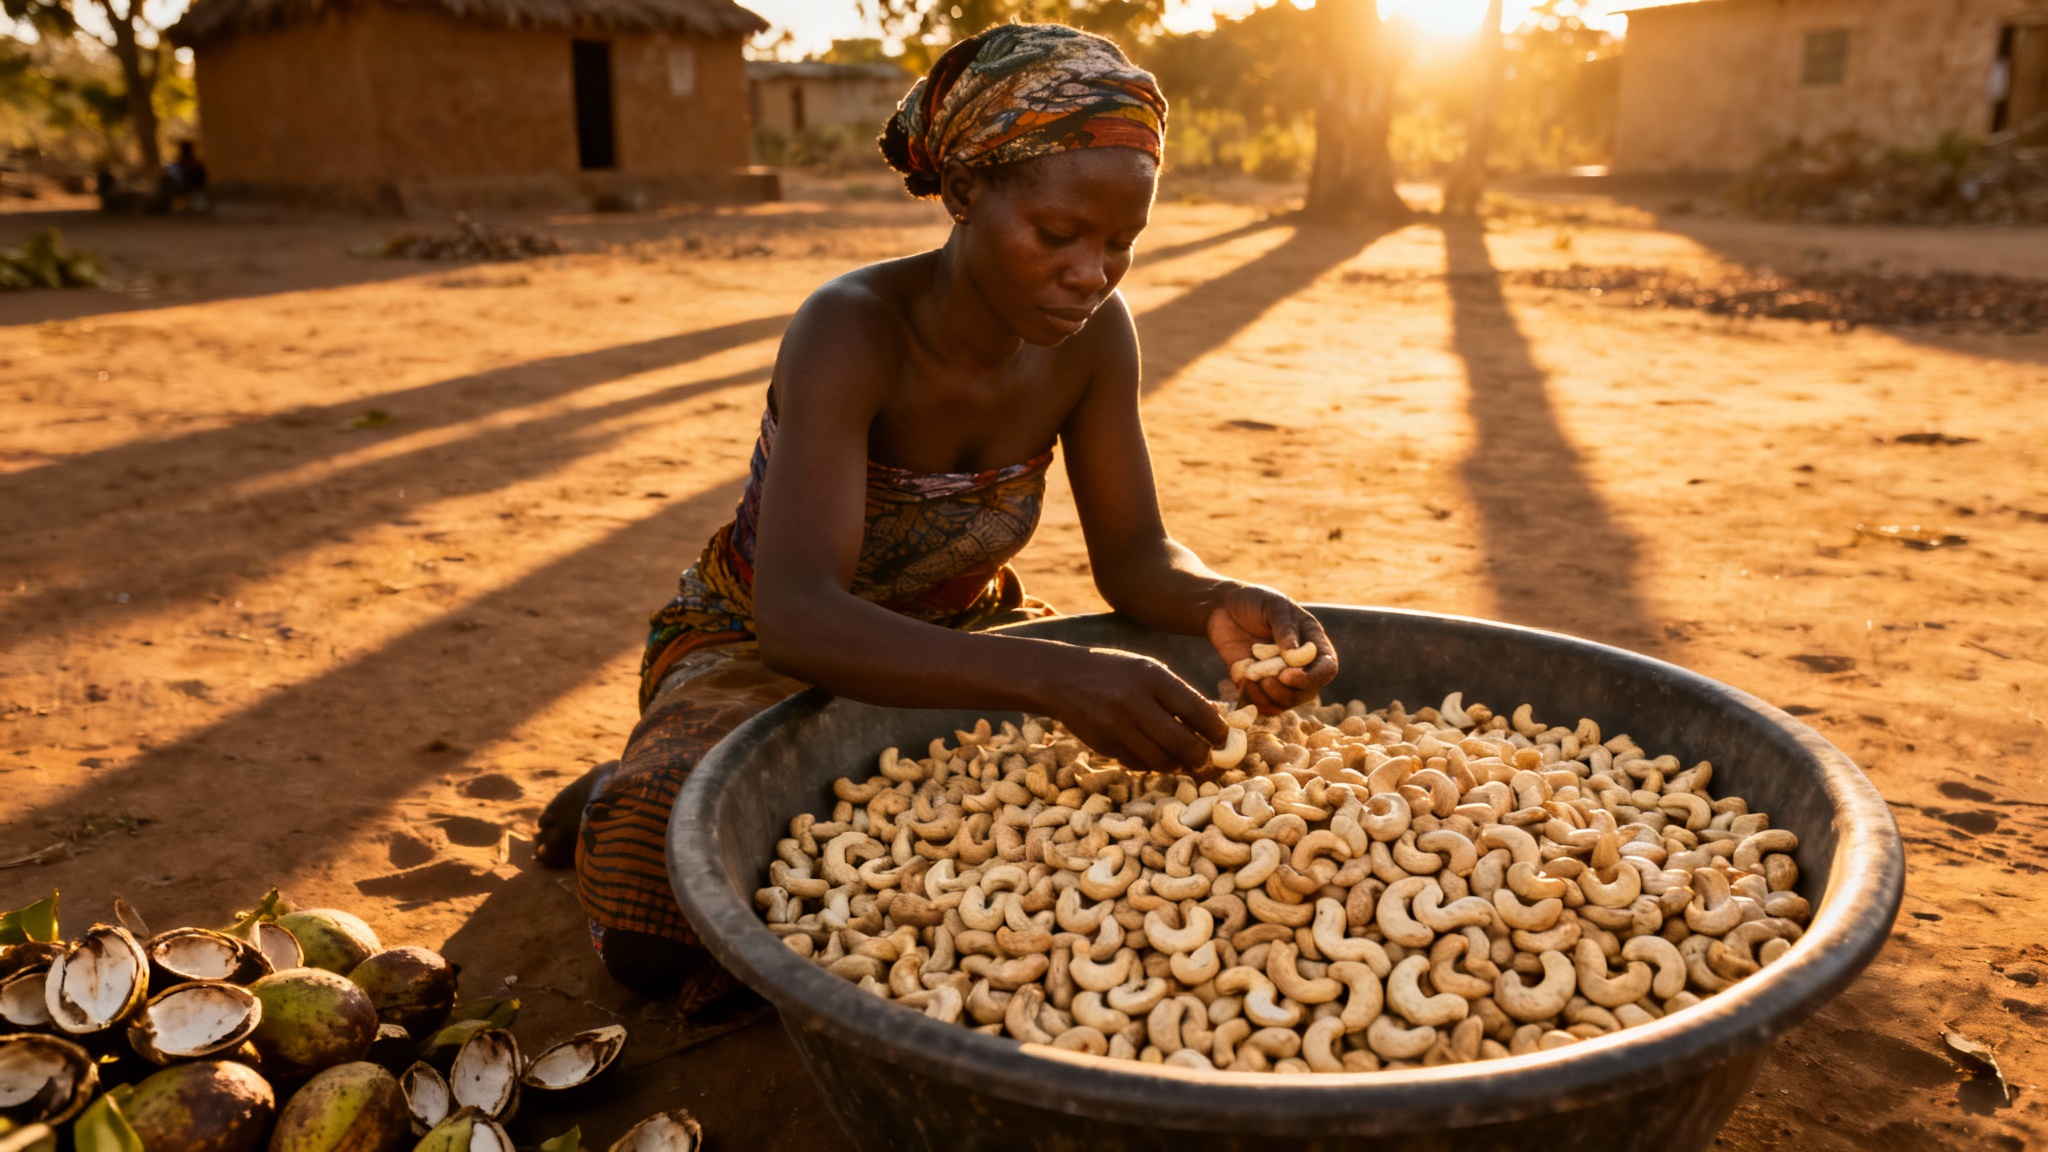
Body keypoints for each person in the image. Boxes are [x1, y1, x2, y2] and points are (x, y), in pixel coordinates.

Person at [535, 23, 1340, 1012]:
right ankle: (628, 781)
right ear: (962, 193)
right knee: (649, 932)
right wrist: (1055, 676)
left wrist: (1221, 599)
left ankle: (692, 776)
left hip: (970, 640)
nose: (1091, 273)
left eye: (1120, 244)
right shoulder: (852, 328)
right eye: (1058, 235)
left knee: (1094, 836)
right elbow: (796, 614)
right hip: (758, 650)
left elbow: (1134, 554)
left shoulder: (1093, 341)